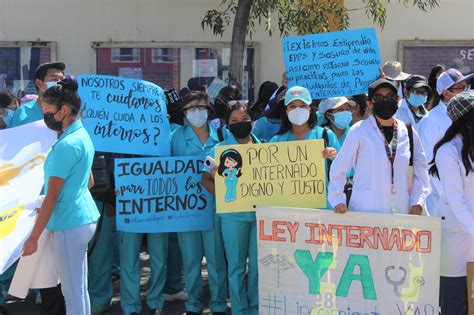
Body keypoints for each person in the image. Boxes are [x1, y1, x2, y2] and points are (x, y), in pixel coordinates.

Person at [22, 79, 100, 314]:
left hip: (69, 222)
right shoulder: (82, 134)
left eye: (47, 112)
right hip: (83, 216)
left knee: (72, 291)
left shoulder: (65, 145)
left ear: (63, 110)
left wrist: (33, 237)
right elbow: (89, 181)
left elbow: (52, 197)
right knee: (80, 288)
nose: (45, 117)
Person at [329, 79, 430, 215]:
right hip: (366, 213)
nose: (385, 100)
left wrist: (417, 202)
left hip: (401, 212)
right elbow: (339, 168)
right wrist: (337, 199)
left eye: (390, 97)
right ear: (369, 104)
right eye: (378, 97)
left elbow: (421, 170)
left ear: (398, 100)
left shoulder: (408, 132)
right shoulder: (359, 131)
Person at [171, 91, 228, 315]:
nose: (197, 112)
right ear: (184, 113)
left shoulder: (222, 136)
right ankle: (193, 304)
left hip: (215, 207)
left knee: (216, 261)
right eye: (191, 108)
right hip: (187, 210)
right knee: (191, 260)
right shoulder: (175, 137)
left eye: (201, 108)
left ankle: (218, 304)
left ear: (209, 110)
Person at [202, 101, 260, 315]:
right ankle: (239, 309)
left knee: (256, 266)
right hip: (232, 216)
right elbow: (205, 181)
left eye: (244, 120)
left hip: (259, 216)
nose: (240, 124)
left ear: (252, 121)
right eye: (234, 120)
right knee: (235, 267)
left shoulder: (265, 147)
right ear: (227, 124)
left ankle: (255, 308)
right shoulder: (217, 150)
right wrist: (227, 196)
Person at [429, 92, 474, 314]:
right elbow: (455, 199)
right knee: (455, 302)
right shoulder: (448, 152)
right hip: (454, 240)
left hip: (472, 237)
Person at [270, 86, 339, 209]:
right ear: (286, 111)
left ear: (310, 109)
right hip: (288, 210)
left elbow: (348, 170)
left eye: (302, 105)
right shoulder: (276, 141)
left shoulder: (325, 136)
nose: (298, 109)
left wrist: (335, 157)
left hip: (321, 210)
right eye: (292, 106)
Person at [418, 68, 472, 216]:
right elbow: (429, 163)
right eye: (461, 88)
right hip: (444, 199)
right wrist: (451, 198)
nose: (466, 91)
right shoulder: (431, 121)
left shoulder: (468, 115)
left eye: (466, 87)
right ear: (446, 92)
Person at [10, 62, 65, 127]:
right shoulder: (23, 112)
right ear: (39, 83)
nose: (60, 83)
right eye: (54, 79)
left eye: (63, 80)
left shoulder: (68, 111)